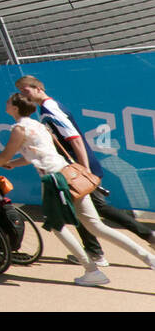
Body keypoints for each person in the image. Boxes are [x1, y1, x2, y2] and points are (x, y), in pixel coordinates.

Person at [0, 92, 155, 286]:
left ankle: (92, 270)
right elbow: (33, 156)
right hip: (66, 174)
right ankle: (149, 259)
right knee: (96, 226)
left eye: (8, 102)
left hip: (54, 180)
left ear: (15, 108)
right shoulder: (38, 125)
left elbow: (5, 154)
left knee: (57, 226)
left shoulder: (19, 128)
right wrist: (13, 164)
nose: (5, 104)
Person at [15, 75, 155, 265]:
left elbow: (75, 139)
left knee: (90, 210)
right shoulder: (45, 109)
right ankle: (99, 251)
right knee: (88, 209)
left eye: (25, 89)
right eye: (20, 91)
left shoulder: (50, 108)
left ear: (38, 88)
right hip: (75, 168)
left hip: (78, 169)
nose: (23, 93)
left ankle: (103, 252)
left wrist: (84, 169)